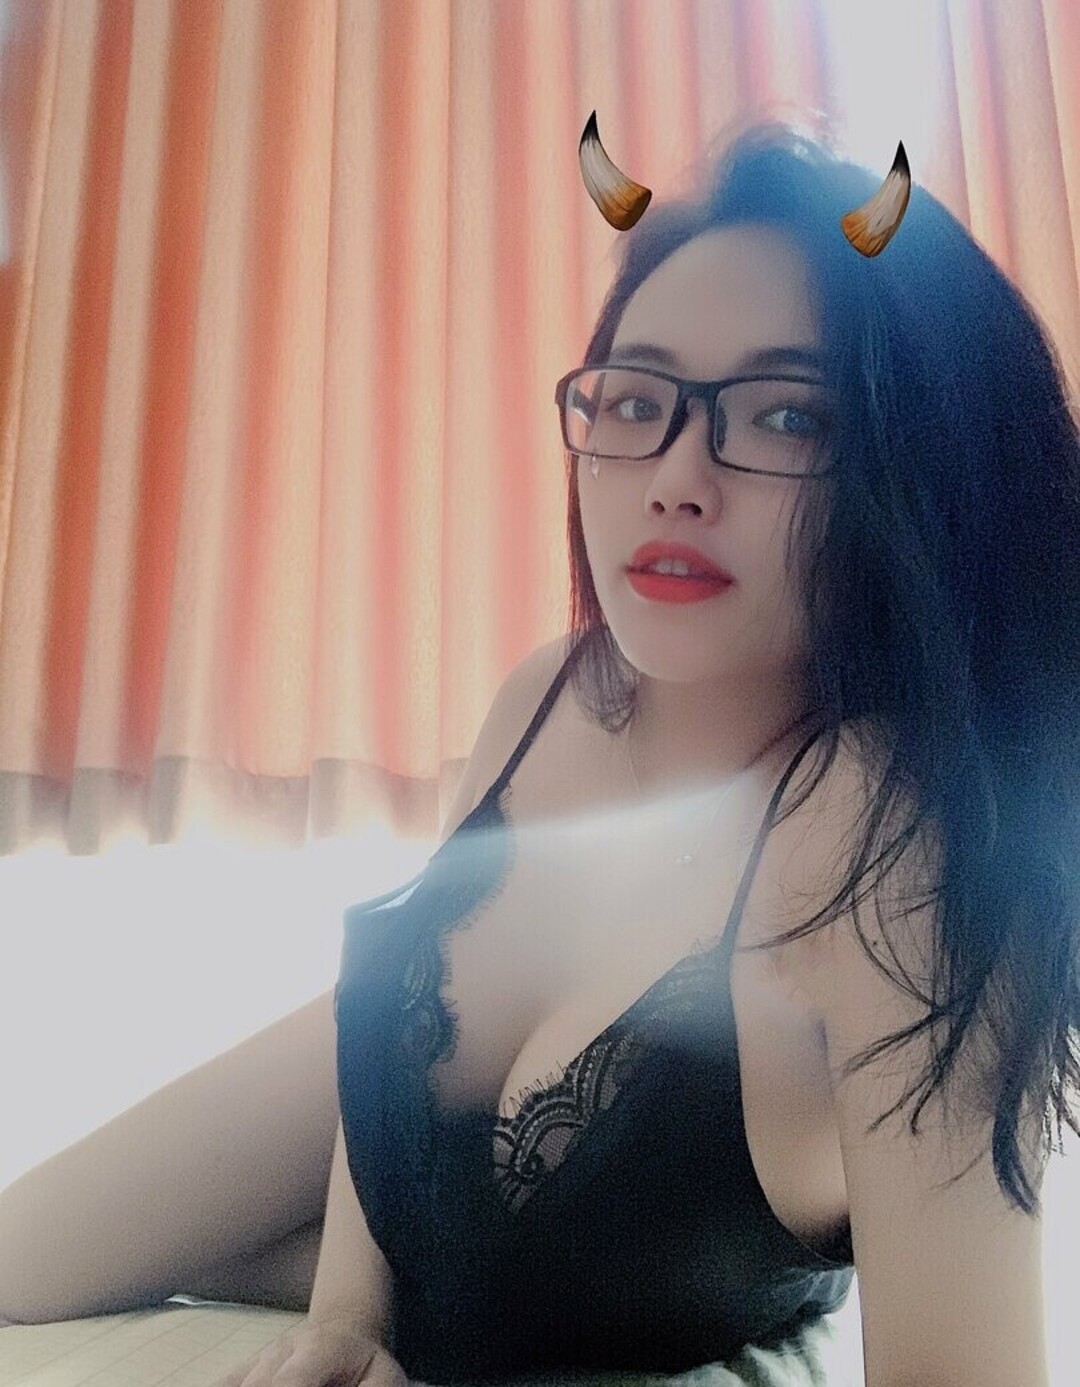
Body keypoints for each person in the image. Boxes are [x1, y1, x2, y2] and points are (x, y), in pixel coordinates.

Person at [1, 117, 1077, 1387]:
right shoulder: (550, 695)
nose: (676, 476)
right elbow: (389, 1029)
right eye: (637, 400)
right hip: (388, 1159)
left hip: (593, 1252)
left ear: (922, 469)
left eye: (786, 416)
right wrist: (348, 1321)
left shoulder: (889, 837)